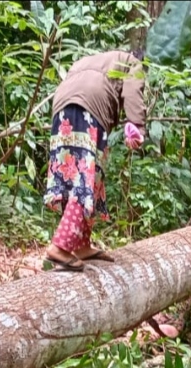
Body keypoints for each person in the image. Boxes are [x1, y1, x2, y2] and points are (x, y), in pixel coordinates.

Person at [43, 49, 147, 271]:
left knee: (72, 173)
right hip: (90, 108)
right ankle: (60, 246)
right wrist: (137, 125)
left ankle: (81, 244)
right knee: (86, 178)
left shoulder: (88, 61)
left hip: (61, 105)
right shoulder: (132, 62)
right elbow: (133, 90)